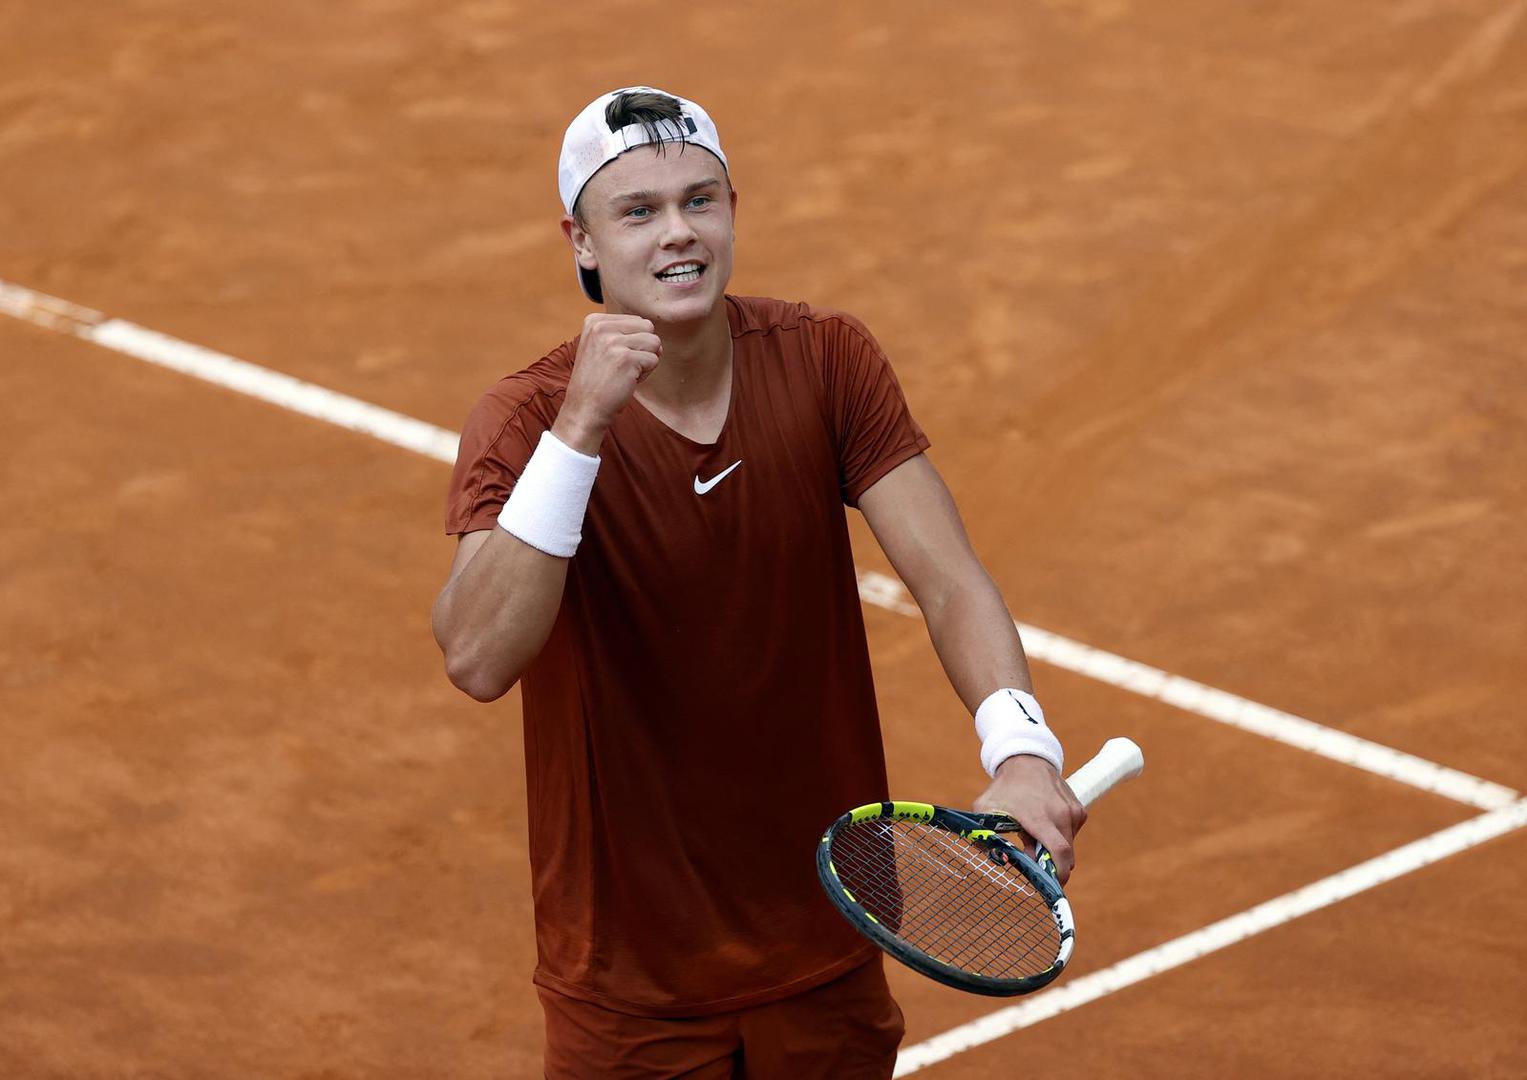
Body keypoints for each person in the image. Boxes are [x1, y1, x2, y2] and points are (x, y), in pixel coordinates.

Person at [432, 86, 1086, 1079]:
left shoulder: (827, 363)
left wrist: (1021, 744)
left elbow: (948, 576)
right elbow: (478, 657)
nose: (678, 235)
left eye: (701, 200)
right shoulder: (526, 422)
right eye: (638, 213)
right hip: (630, 981)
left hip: (827, 937)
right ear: (582, 242)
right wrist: (583, 430)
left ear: (735, 208)